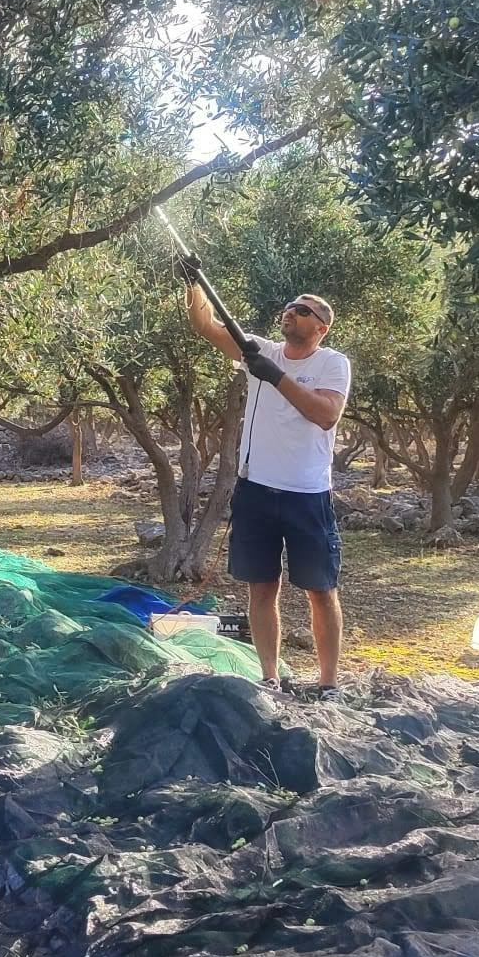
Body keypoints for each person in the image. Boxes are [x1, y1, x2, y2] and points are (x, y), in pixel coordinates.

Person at [181, 267, 352, 697]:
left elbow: (325, 414)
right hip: (256, 490)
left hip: (306, 495)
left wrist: (274, 377)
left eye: (303, 309)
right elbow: (206, 325)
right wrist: (194, 283)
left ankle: (328, 682)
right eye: (290, 307)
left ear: (321, 327)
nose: (291, 312)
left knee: (320, 590)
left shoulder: (333, 363)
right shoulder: (261, 349)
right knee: (262, 587)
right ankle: (270, 676)